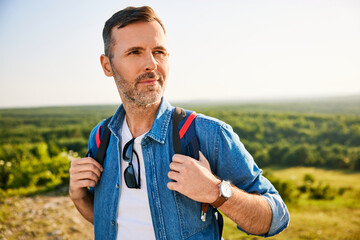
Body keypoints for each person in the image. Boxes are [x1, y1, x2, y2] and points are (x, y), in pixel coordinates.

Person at [69, 6, 289, 240]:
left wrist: (216, 192)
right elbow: (114, 222)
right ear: (107, 65)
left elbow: (275, 219)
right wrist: (79, 196)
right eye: (134, 52)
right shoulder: (102, 137)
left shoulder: (207, 135)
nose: (151, 64)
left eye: (159, 51)